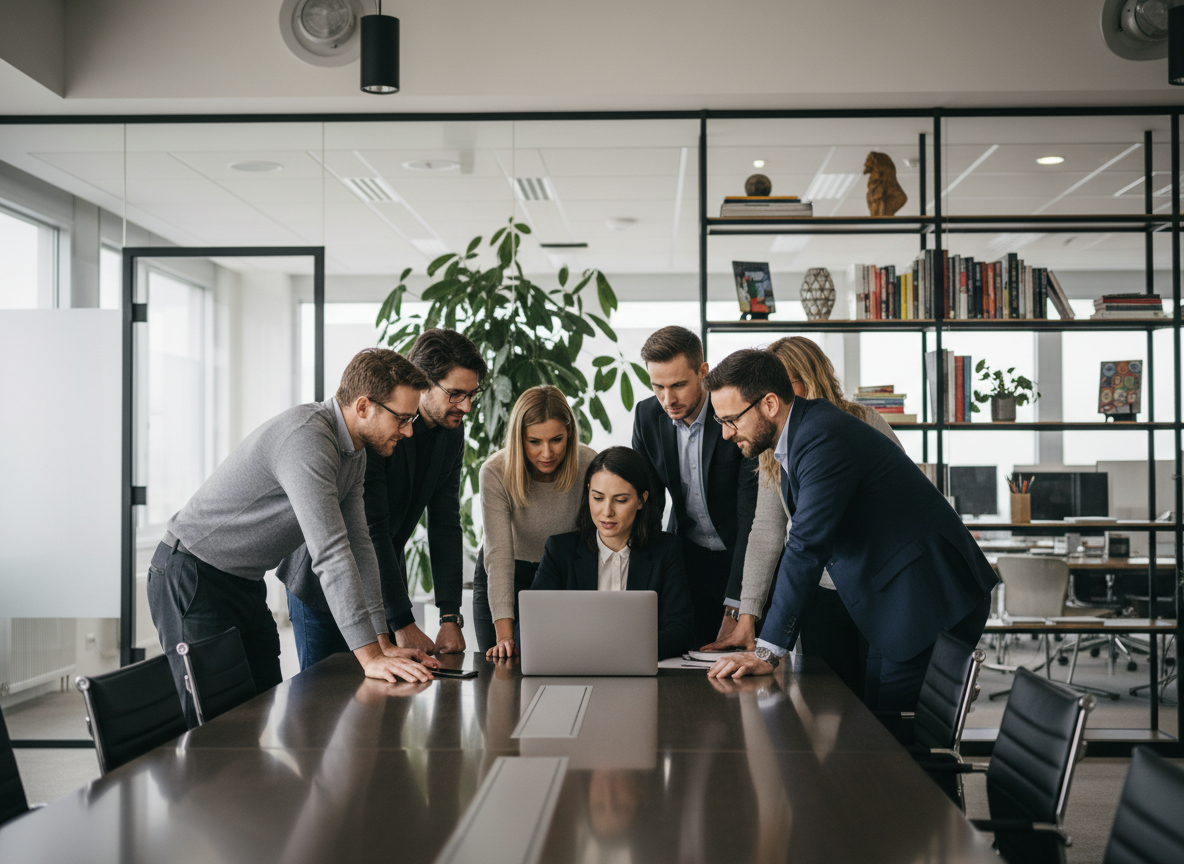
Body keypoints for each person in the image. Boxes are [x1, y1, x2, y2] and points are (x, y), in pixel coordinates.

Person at [148, 348, 438, 726]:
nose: (409, 430)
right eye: (401, 418)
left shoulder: (355, 453)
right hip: (193, 575)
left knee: (260, 712)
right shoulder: (308, 440)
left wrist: (383, 643)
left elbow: (360, 546)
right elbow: (331, 553)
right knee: (215, 731)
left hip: (245, 583)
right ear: (363, 406)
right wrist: (369, 658)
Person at [702, 349, 998, 712]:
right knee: (877, 723)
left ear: (769, 404)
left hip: (929, 596)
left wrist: (768, 651)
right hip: (898, 598)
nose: (726, 433)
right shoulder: (803, 435)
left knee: (896, 735)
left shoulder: (821, 438)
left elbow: (806, 545)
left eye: (731, 419)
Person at [278, 329, 487, 669]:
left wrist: (450, 615)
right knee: (322, 701)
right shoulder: (380, 428)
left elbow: (445, 519)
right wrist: (402, 621)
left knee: (385, 699)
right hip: (323, 583)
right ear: (424, 383)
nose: (465, 406)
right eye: (455, 394)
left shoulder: (452, 432)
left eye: (471, 395)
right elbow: (371, 527)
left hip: (381, 582)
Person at [712, 336, 904, 698]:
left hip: (877, 586)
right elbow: (769, 529)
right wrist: (747, 612)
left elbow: (805, 541)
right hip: (823, 591)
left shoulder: (845, 428)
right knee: (829, 704)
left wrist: (768, 649)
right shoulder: (776, 445)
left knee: (879, 704)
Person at [631, 326, 769, 648]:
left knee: (741, 664)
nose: (668, 399)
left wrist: (736, 604)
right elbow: (647, 502)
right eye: (658, 387)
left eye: (679, 385)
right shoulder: (647, 416)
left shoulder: (735, 414)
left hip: (744, 559)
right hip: (688, 558)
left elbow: (751, 517)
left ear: (703, 372)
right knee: (687, 659)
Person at [522, 447, 694, 660]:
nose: (607, 512)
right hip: (576, 668)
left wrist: (618, 653)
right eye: (598, 498)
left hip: (639, 670)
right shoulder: (560, 550)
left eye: (620, 500)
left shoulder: (666, 550)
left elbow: (680, 630)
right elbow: (531, 625)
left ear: (641, 500)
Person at [475, 385, 596, 658]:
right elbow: (499, 556)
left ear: (570, 434)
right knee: (502, 668)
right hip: (506, 573)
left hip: (561, 577)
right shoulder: (495, 472)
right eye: (534, 442)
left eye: (556, 439)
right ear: (519, 439)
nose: (547, 453)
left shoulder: (590, 463)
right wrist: (505, 636)